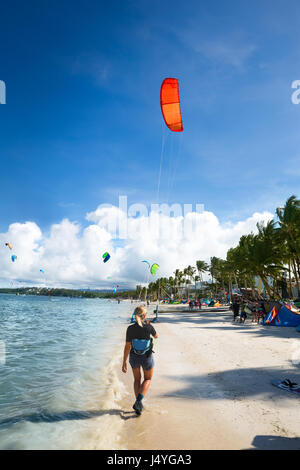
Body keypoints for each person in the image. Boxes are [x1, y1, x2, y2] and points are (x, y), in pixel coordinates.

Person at [122, 306, 158, 415]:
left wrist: (124, 361)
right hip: (146, 357)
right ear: (145, 315)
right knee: (147, 379)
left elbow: (127, 346)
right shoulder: (148, 327)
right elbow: (156, 336)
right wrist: (148, 325)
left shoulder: (130, 329)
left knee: (137, 380)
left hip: (134, 356)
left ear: (134, 315)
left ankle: (138, 404)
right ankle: (138, 401)